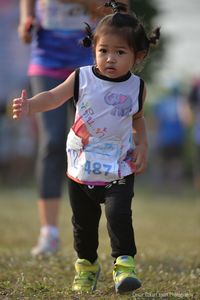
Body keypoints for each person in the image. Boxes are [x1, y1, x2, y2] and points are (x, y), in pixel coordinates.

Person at [13, 0, 160, 294]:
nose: (109, 58)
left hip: (119, 165)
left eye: (120, 52)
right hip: (81, 167)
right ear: (94, 49)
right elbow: (54, 98)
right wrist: (30, 105)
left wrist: (142, 144)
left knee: (119, 215)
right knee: (83, 225)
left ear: (137, 56)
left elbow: (138, 119)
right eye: (103, 50)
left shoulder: (137, 87)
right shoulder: (82, 77)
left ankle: (124, 265)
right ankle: (87, 265)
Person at [18, 0, 124, 257]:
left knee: (95, 142)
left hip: (89, 63)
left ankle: (103, 230)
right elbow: (27, 14)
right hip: (47, 60)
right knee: (52, 142)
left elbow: (120, 14)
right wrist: (27, 22)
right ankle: (49, 233)